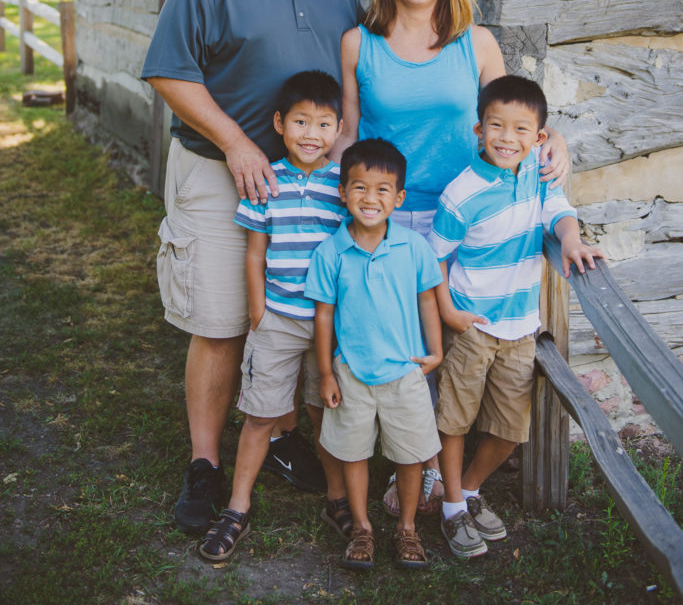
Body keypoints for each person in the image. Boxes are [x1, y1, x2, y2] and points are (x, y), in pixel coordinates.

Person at [141, 0, 361, 535]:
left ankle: (276, 430)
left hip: (308, 183)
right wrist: (237, 141)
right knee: (220, 319)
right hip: (218, 166)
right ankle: (206, 466)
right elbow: (168, 72)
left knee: (296, 306)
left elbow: (358, 73)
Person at [335, 0, 571, 516]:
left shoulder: (476, 42)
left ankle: (436, 481)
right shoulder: (359, 44)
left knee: (452, 352)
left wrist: (557, 141)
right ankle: (395, 467)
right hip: (386, 223)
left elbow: (514, 113)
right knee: (395, 349)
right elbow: (348, 137)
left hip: (462, 225)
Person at [428, 75, 605, 558]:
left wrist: (570, 240)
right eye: (497, 126)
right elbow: (435, 261)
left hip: (521, 327)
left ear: (538, 137)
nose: (508, 138)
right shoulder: (460, 194)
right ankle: (450, 509)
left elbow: (559, 212)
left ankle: (467, 490)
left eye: (521, 129)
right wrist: (448, 312)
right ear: (478, 130)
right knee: (455, 420)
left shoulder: (537, 175)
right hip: (471, 326)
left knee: (510, 427)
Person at [199, 71, 352, 561]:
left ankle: (337, 499)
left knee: (323, 411)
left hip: (330, 322)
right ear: (279, 123)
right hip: (280, 318)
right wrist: (258, 308)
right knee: (261, 413)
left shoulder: (345, 188)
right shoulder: (267, 181)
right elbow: (254, 251)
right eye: (301, 122)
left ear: (339, 128)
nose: (312, 134)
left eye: (324, 124)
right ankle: (237, 507)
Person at [305, 138, 447, 570]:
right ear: (343, 193)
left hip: (405, 371)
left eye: (383, 189)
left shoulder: (413, 247)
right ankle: (363, 528)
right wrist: (327, 372)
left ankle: (406, 529)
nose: (370, 198)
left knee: (409, 455)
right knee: (353, 452)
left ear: (399, 197)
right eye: (360, 188)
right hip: (351, 372)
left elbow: (427, 299)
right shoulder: (330, 253)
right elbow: (324, 317)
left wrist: (435, 350)